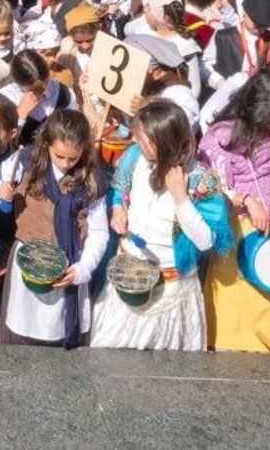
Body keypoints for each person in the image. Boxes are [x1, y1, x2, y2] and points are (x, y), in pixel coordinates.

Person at [92, 99, 230, 351]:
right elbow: (119, 186)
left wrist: (181, 199)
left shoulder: (201, 179)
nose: (135, 142)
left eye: (142, 138)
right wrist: (118, 208)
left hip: (171, 292)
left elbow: (206, 241)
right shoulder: (135, 156)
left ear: (162, 140)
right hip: (129, 280)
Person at [198, 69, 270, 352]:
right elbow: (209, 182)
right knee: (236, 312)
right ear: (263, 111)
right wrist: (245, 199)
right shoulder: (222, 136)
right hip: (239, 230)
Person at [0, 109, 109, 346]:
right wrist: (0, 190)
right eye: (59, 156)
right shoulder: (24, 161)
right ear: (47, 144)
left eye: (73, 158)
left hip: (67, 265)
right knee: (20, 336)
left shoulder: (92, 180)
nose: (66, 163)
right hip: (27, 263)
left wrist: (83, 269)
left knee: (59, 339)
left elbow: (99, 232)